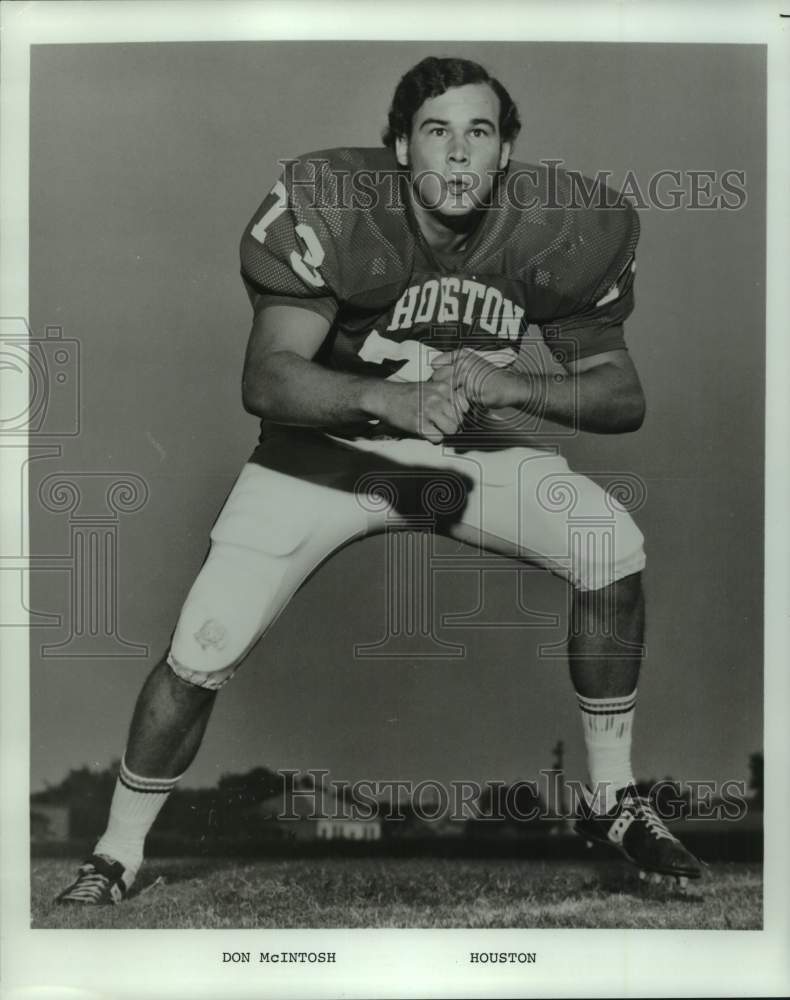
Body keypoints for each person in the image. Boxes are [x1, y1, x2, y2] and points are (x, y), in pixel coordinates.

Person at [57, 56, 701, 906]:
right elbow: (269, 377)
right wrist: (383, 399)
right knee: (202, 648)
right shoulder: (333, 203)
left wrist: (524, 388)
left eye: (480, 132)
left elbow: (623, 397)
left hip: (465, 448)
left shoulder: (562, 226)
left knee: (610, 544)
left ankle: (614, 801)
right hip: (324, 454)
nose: (460, 154)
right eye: (438, 132)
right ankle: (116, 853)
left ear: (507, 150)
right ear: (400, 146)